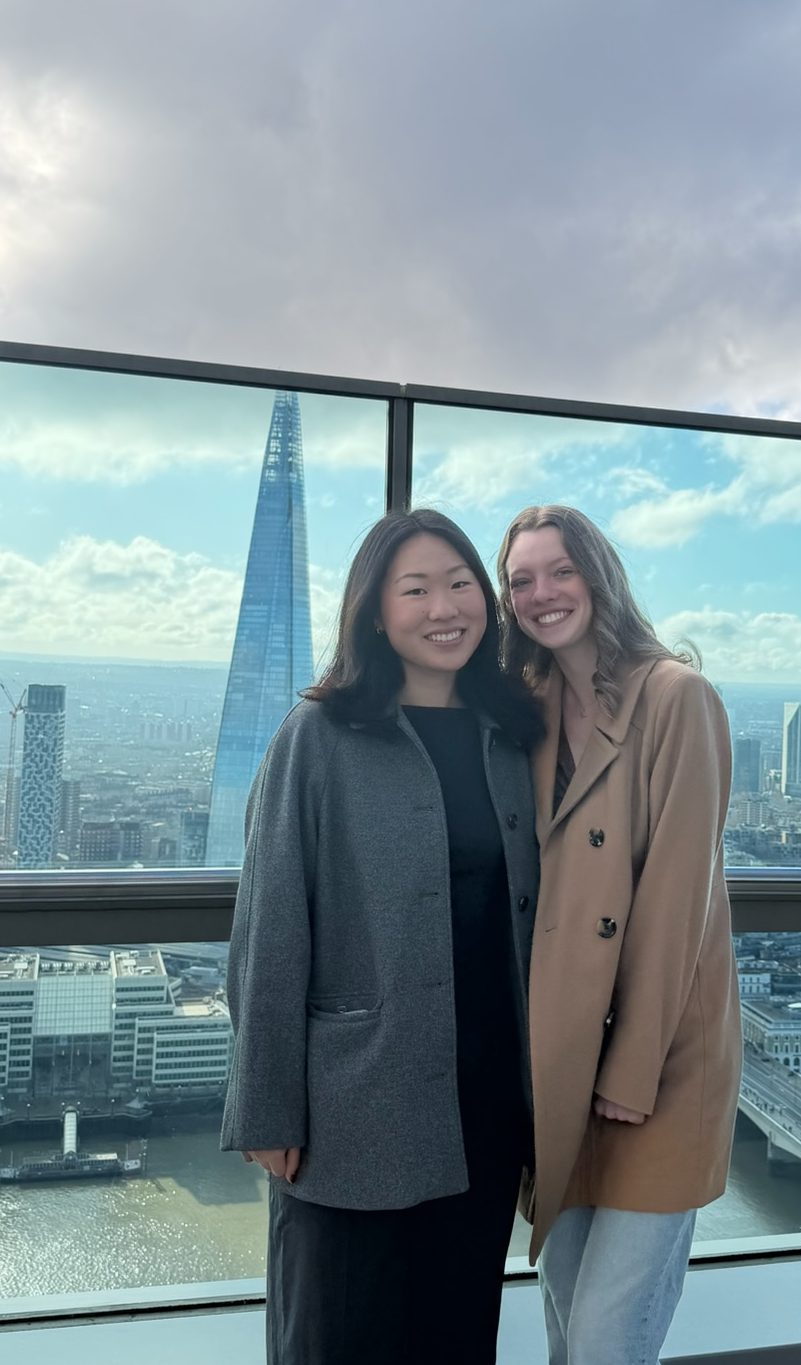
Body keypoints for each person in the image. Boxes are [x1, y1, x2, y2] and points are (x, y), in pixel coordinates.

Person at [221, 508, 544, 1365]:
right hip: (354, 1106)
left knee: (456, 1335)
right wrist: (266, 1106)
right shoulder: (318, 735)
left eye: (461, 583)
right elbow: (269, 927)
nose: (445, 607)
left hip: (482, 1105)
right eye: (416, 589)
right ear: (373, 611)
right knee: (334, 1334)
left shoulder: (510, 736)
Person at [497, 504, 741, 1365]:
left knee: (608, 1334)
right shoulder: (524, 707)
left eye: (560, 570)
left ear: (599, 576)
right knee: (565, 1315)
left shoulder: (677, 697)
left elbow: (679, 901)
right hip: (563, 1055)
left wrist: (632, 1069)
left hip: (660, 1063)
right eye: (521, 579)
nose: (542, 593)